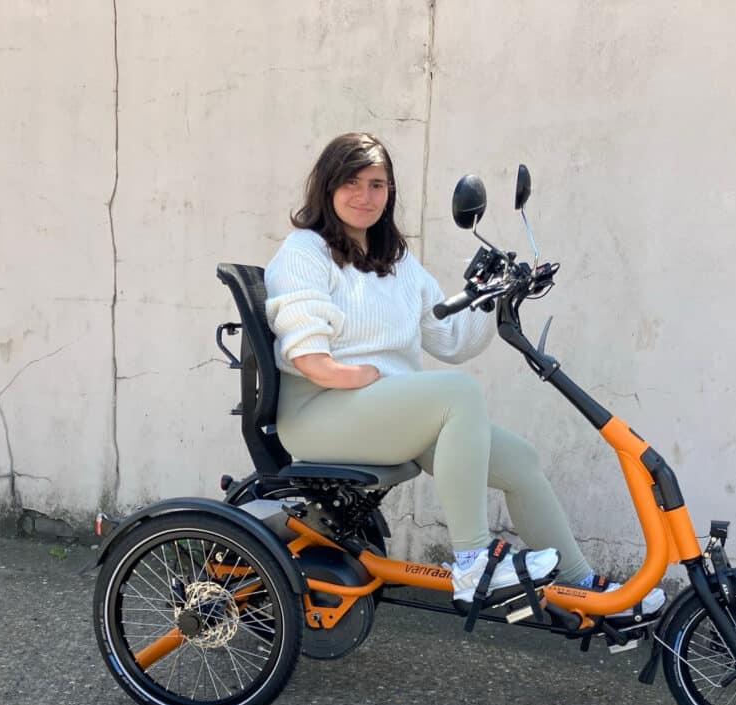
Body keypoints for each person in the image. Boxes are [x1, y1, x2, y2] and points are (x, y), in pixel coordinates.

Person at [264, 132, 664, 614]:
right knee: (458, 394)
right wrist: (364, 377)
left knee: (520, 462)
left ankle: (584, 589)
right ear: (327, 186)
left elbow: (450, 340)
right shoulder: (305, 250)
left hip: (375, 412)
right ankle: (473, 562)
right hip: (320, 412)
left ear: (390, 192)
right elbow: (309, 358)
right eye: (351, 183)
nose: (364, 196)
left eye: (376, 185)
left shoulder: (395, 261)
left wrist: (493, 295)